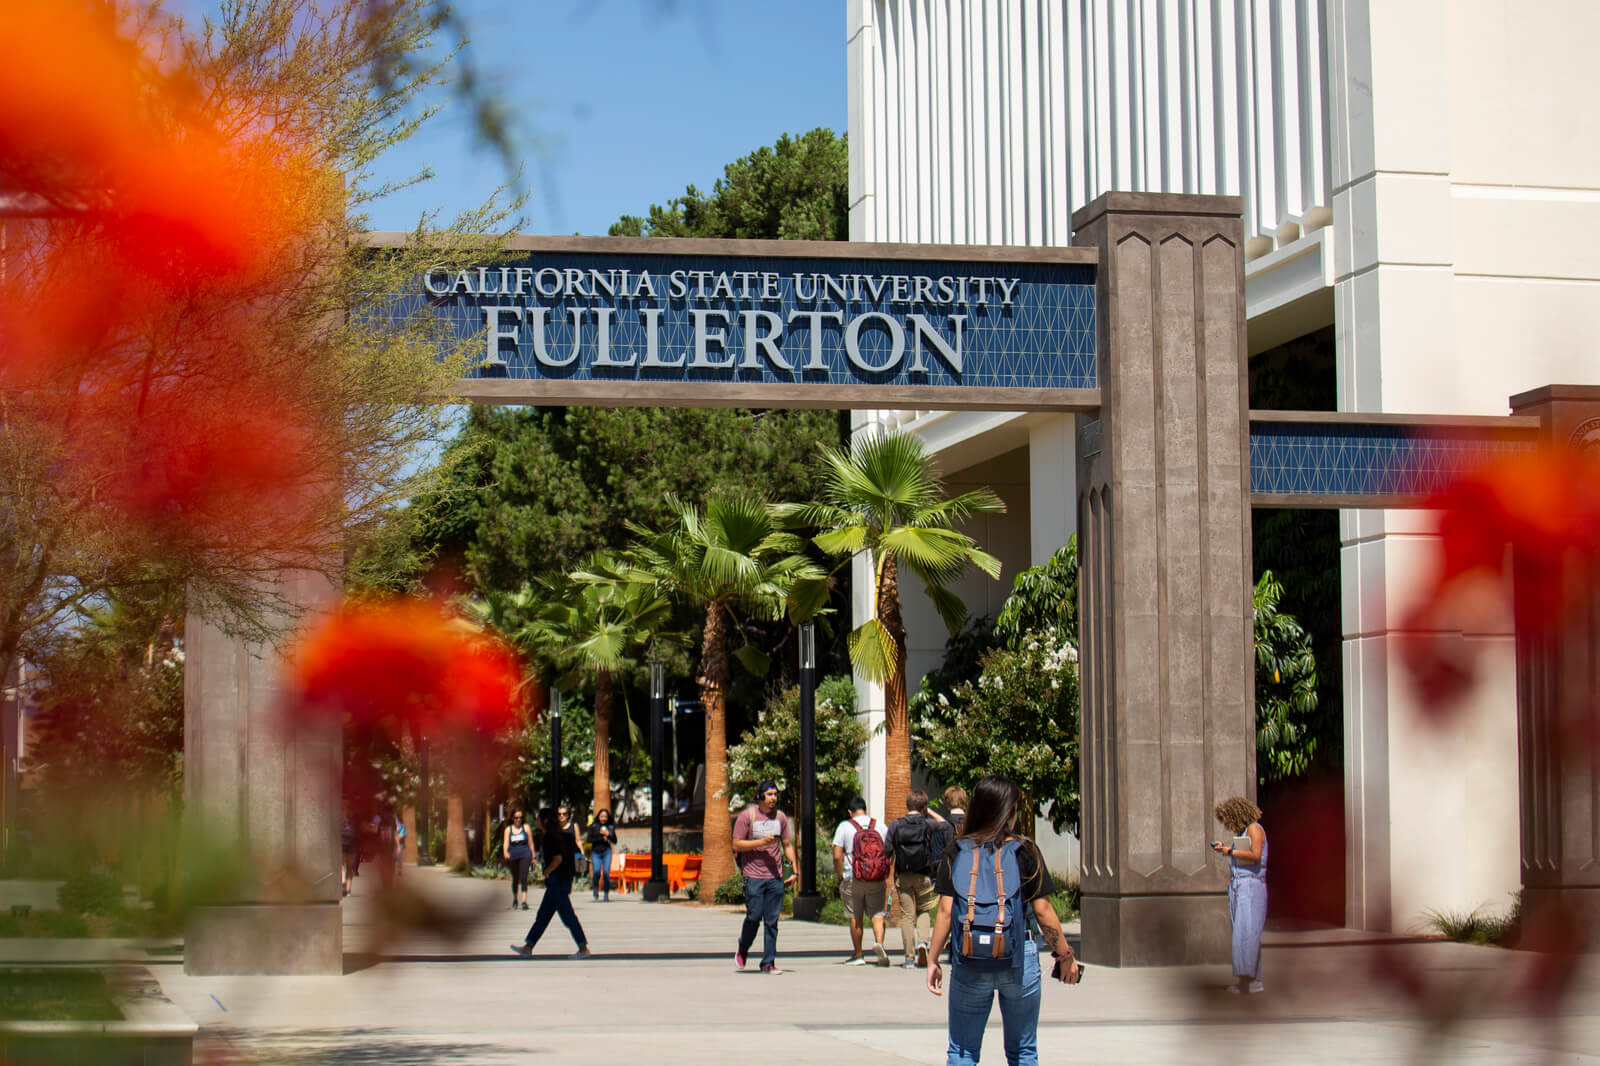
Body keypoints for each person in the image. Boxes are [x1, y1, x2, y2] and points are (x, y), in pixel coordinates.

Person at [927, 774, 1077, 1066]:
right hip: (1019, 958)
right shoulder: (1025, 850)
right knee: (1023, 1052)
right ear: (1009, 811)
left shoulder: (955, 851)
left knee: (962, 1052)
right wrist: (1065, 955)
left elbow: (945, 912)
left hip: (969, 960)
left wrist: (933, 959)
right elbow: (1043, 911)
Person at [732, 780, 797, 974]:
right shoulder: (747, 816)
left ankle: (768, 962)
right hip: (753, 876)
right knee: (754, 916)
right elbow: (736, 844)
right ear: (760, 796)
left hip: (775, 876)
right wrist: (761, 841)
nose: (773, 798)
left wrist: (794, 870)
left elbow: (787, 845)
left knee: (772, 920)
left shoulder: (781, 818)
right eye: (769, 795)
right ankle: (743, 946)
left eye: (775, 794)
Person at [510, 808, 591, 959]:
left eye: (538, 819)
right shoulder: (564, 836)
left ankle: (583, 947)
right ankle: (528, 947)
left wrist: (547, 871)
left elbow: (558, 858)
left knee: (567, 916)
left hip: (556, 882)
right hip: (564, 880)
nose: (536, 822)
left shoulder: (549, 838)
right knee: (543, 915)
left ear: (545, 821)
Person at [1212, 795, 1268, 994]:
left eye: (1228, 820)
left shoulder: (1254, 829)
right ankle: (1249, 979)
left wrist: (1230, 851)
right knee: (1242, 933)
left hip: (1251, 887)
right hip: (1239, 887)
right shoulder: (1245, 831)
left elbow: (1255, 855)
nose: (1228, 825)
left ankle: (1251, 980)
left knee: (1247, 933)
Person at [831, 797, 893, 966]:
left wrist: (840, 876)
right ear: (865, 809)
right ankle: (879, 944)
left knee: (855, 916)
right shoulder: (879, 825)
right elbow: (889, 850)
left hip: (853, 876)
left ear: (850, 812)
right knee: (877, 914)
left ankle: (858, 955)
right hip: (876, 877)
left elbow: (837, 855)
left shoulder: (845, 826)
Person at [887, 788, 943, 968]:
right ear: (924, 807)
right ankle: (923, 943)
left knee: (907, 916)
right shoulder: (927, 824)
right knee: (924, 910)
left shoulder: (896, 825)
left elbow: (887, 850)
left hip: (903, 875)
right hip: (923, 875)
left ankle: (909, 958)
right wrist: (930, 813)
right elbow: (946, 825)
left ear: (907, 804)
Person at [503, 807, 534, 910]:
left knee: (524, 877)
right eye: (516, 817)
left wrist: (533, 856)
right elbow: (506, 843)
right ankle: (515, 899)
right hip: (513, 856)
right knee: (515, 878)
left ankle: (524, 901)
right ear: (512, 818)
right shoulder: (508, 829)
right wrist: (505, 852)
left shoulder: (526, 828)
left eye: (520, 817)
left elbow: (530, 842)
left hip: (525, 854)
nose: (518, 820)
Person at [586, 808, 617, 902]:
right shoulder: (594, 826)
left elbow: (615, 841)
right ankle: (596, 890)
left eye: (605, 817)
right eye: (602, 816)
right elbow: (589, 839)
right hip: (596, 852)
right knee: (596, 872)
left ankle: (606, 894)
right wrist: (601, 837)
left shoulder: (610, 827)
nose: (604, 818)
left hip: (607, 852)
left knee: (607, 873)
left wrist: (609, 835)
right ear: (598, 817)